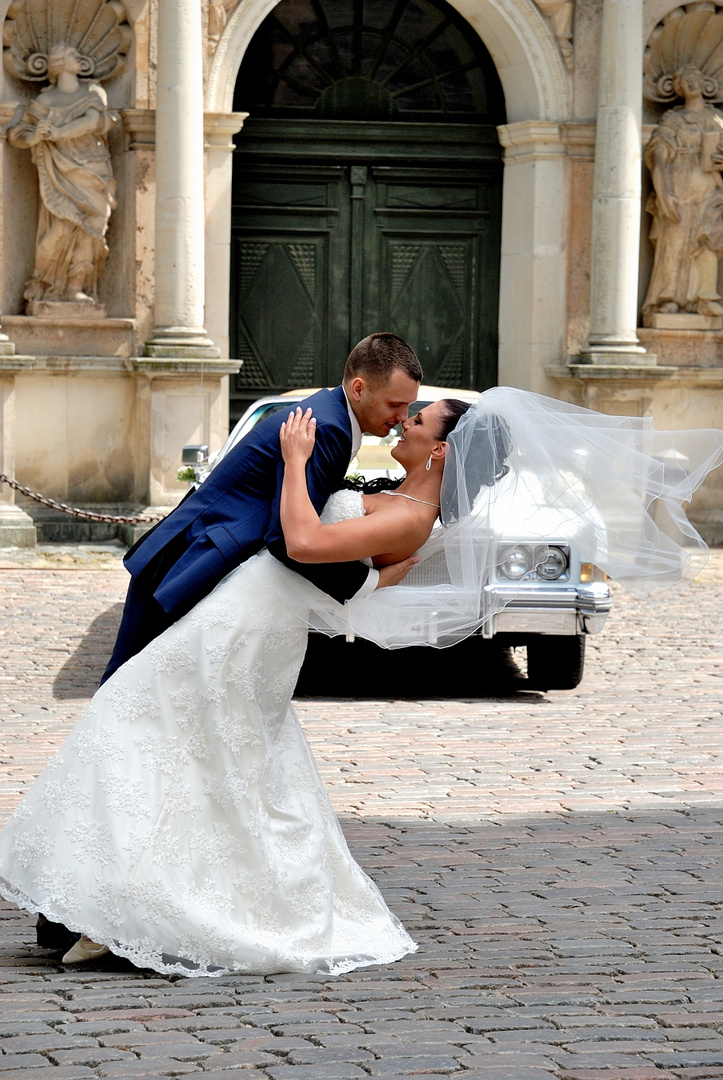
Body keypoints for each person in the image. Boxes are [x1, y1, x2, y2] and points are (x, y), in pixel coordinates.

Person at [0, 395, 480, 976]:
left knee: (149, 720)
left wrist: (298, 461)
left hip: (252, 625)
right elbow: (363, 575)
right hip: (244, 606)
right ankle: (111, 901)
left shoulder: (411, 517)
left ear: (443, 450)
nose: (406, 421)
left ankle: (127, 912)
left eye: (420, 420)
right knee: (179, 740)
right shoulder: (399, 497)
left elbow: (303, 543)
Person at [101, 332, 423, 684]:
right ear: (359, 389)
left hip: (192, 554)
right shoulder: (329, 428)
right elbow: (288, 540)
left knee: (141, 687)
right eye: (395, 404)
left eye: (409, 406)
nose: (404, 417)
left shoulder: (331, 416)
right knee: (127, 686)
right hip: (190, 561)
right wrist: (368, 581)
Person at [6, 43, 117, 307]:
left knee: (93, 227)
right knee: (61, 228)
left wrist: (57, 133)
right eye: (69, 54)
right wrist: (35, 136)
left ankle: (74, 287)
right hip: (60, 170)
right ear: (57, 63)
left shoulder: (94, 92)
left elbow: (92, 122)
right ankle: (41, 281)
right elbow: (16, 134)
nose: (77, 56)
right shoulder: (44, 102)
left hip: (94, 169)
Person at [643, 65, 723, 319]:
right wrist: (665, 189)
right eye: (685, 80)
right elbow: (659, 152)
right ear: (678, 87)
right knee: (674, 242)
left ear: (704, 83)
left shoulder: (717, 119)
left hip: (710, 186)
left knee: (708, 239)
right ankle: (668, 297)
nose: (691, 83)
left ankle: (705, 297)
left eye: (695, 79)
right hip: (680, 183)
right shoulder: (673, 120)